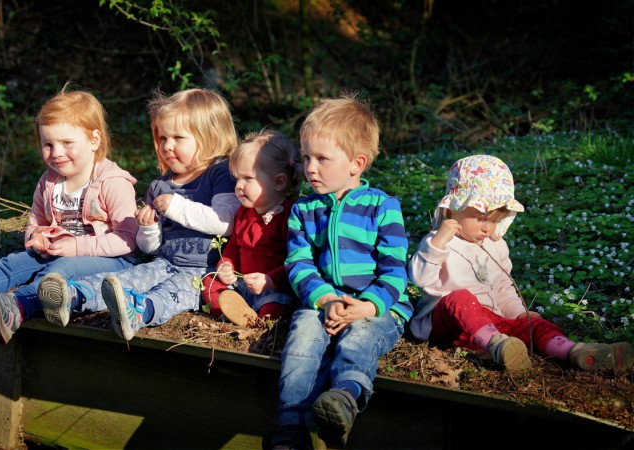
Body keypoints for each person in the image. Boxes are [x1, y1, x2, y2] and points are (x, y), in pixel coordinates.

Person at [0, 86, 139, 344]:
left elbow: (127, 239)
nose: (56, 153)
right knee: (14, 263)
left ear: (94, 140)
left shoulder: (112, 182)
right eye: (48, 144)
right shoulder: (50, 181)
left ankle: (17, 307)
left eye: (67, 143)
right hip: (56, 249)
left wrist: (77, 246)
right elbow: (36, 220)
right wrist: (36, 236)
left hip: (108, 259)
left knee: (60, 270)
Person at [37, 88, 240, 340]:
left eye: (178, 138)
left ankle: (139, 313)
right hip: (165, 262)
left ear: (210, 137)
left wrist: (177, 207)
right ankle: (75, 296)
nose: (167, 146)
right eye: (163, 138)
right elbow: (149, 248)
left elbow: (225, 221)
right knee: (125, 279)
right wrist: (149, 229)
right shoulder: (160, 185)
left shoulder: (220, 174)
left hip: (204, 271)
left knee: (171, 294)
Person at [272, 95, 412, 449]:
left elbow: (396, 271)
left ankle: (344, 399)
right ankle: (291, 426)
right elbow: (298, 263)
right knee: (303, 336)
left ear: (356, 163)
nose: (309, 168)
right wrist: (326, 298)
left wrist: (366, 306)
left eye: (321, 159)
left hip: (376, 307)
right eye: (305, 158)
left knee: (360, 338)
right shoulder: (304, 210)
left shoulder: (382, 208)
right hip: (325, 300)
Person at [408, 154, 633, 374]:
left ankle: (574, 351)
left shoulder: (495, 245)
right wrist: (438, 242)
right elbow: (420, 278)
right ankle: (497, 346)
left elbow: (503, 288)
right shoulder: (438, 241)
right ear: (453, 208)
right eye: (480, 217)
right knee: (460, 297)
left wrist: (519, 313)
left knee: (533, 323)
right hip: (447, 323)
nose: (487, 228)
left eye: (494, 221)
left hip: (489, 325)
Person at [200, 130, 302, 326]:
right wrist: (226, 266)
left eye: (248, 178)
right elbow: (234, 248)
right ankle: (230, 311)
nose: (239, 186)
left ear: (279, 182)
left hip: (272, 288)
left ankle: (260, 321)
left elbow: (295, 260)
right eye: (237, 178)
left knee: (275, 307)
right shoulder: (244, 212)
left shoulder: (290, 215)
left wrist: (270, 280)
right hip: (241, 285)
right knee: (209, 283)